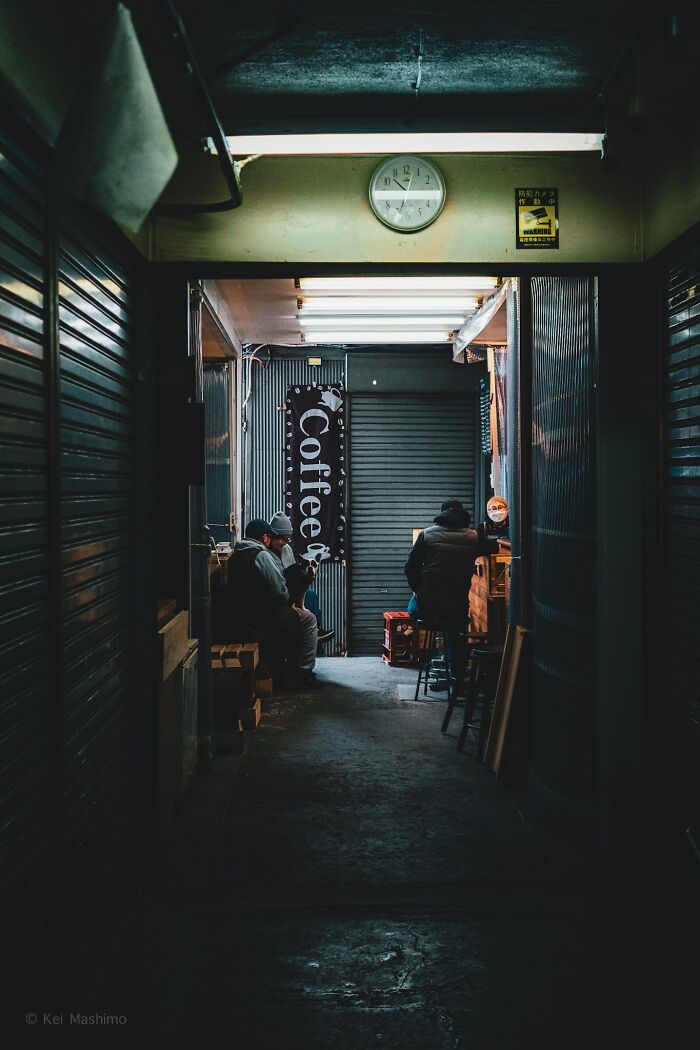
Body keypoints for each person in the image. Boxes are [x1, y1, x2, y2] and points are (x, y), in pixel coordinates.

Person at [211, 517, 322, 689]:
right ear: (264, 537)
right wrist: (287, 600)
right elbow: (279, 589)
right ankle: (303, 673)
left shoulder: (235, 555)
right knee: (309, 619)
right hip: (266, 615)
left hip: (244, 615)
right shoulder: (261, 555)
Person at [405, 499, 497, 691]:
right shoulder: (474, 536)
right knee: (457, 631)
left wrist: (417, 589)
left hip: (427, 609)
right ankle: (456, 677)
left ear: (441, 515)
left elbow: (410, 567)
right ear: (462, 515)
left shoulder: (426, 535)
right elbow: (494, 548)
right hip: (457, 609)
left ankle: (440, 666)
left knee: (413, 609)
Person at [267, 511, 333, 644]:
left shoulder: (287, 550)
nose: (284, 542)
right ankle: (313, 633)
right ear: (271, 536)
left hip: (292, 588)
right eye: (281, 538)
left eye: (287, 539)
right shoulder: (265, 554)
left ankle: (316, 630)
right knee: (307, 597)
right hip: (281, 593)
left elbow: (295, 573)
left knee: (311, 594)